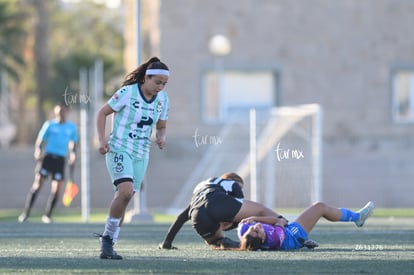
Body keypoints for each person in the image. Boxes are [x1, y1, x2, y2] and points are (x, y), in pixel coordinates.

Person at [95, 57, 170, 260]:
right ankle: (107, 241)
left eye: (164, 84)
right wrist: (101, 140)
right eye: (157, 82)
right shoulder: (128, 93)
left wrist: (161, 137)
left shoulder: (163, 100)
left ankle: (109, 242)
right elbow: (102, 113)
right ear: (146, 77)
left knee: (125, 198)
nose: (160, 87)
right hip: (119, 148)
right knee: (125, 191)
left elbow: (161, 126)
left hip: (141, 154)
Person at [158, 172, 288, 250]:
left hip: (197, 215)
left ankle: (222, 241)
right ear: (233, 180)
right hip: (217, 203)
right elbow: (241, 207)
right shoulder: (231, 183)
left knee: (216, 242)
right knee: (260, 211)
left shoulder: (202, 187)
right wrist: (234, 221)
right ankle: (288, 225)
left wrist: (167, 242)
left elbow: (180, 218)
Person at [18, 103, 78, 224]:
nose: (61, 114)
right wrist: (38, 151)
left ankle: (47, 215)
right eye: (59, 111)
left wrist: (73, 156)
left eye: (63, 111)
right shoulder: (49, 125)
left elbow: (73, 144)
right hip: (48, 158)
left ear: (67, 112)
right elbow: (40, 141)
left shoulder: (71, 127)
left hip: (61, 160)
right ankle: (26, 214)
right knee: (37, 185)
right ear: (56, 112)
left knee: (57, 189)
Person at [238, 201, 375, 251]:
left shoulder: (244, 230)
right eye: (258, 232)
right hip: (292, 236)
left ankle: (305, 244)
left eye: (253, 230)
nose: (256, 227)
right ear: (263, 240)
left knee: (319, 207)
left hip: (285, 231)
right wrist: (257, 218)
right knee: (320, 207)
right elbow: (280, 222)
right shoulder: (274, 238)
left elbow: (276, 221)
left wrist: (253, 219)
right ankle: (358, 218)